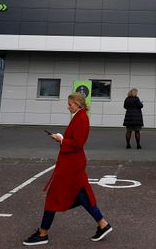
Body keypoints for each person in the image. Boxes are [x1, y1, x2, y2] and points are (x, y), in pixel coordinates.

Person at [23, 92, 113, 246]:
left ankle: (43, 233)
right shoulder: (80, 116)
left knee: (55, 196)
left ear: (78, 104)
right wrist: (62, 139)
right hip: (72, 164)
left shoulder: (82, 118)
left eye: (70, 104)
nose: (68, 107)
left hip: (71, 166)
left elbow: (77, 144)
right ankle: (103, 224)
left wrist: (61, 139)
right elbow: (75, 142)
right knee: (81, 195)